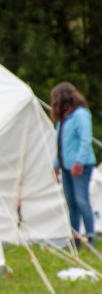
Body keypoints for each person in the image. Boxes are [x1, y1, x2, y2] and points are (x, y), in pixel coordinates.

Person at [51, 81, 96, 249]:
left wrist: (79, 162)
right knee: (72, 204)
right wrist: (56, 165)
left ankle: (90, 238)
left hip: (80, 167)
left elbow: (85, 140)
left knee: (82, 201)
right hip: (66, 167)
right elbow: (62, 146)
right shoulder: (63, 119)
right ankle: (75, 239)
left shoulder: (80, 114)